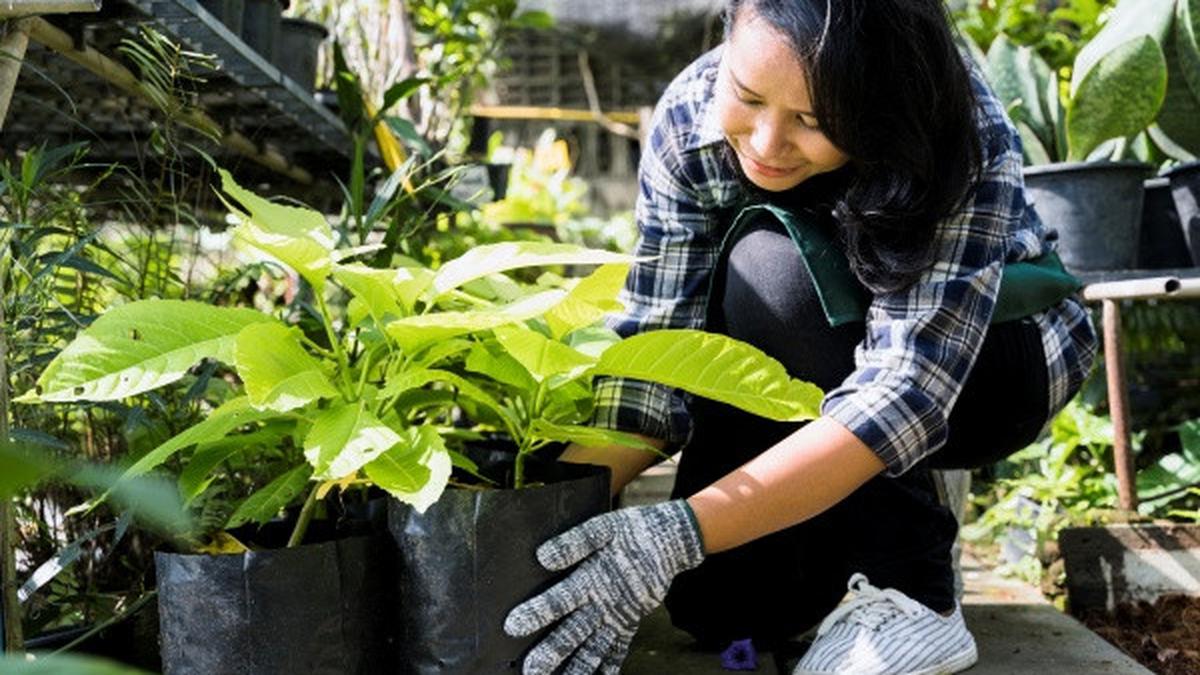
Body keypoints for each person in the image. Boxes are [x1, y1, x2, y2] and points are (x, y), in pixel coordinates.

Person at [503, 0, 1099, 673]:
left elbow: (904, 394)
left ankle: (915, 588)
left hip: (988, 362)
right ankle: (868, 520)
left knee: (771, 268)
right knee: (720, 611)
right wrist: (537, 518)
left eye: (812, 121)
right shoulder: (689, 119)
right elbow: (654, 366)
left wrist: (676, 532)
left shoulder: (954, 122)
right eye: (748, 96)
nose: (765, 144)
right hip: (807, 364)